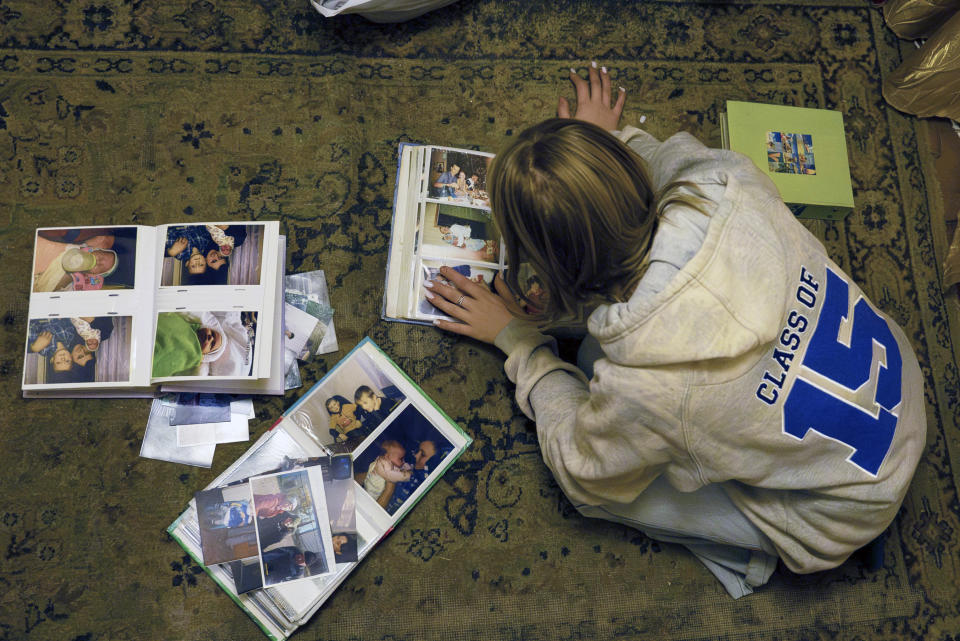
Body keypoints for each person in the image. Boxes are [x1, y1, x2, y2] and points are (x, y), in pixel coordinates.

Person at [423, 63, 926, 598]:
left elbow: (583, 466)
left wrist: (521, 342)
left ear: (556, 272)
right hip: (898, 380)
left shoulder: (649, 388)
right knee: (607, 363)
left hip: (836, 512)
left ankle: (751, 554)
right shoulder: (725, 179)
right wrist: (609, 140)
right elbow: (665, 157)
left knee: (600, 486)